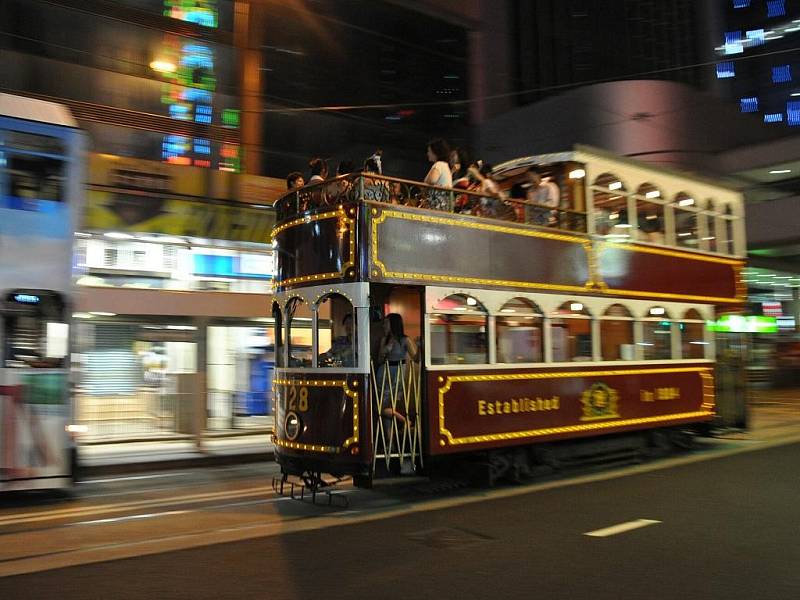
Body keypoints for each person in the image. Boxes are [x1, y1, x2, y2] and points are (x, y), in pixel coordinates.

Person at [377, 313, 418, 425]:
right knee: (383, 406)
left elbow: (416, 359)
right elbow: (379, 361)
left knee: (384, 407)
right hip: (383, 372)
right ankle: (390, 441)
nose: (384, 325)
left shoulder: (405, 340)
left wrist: (421, 347)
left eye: (386, 323)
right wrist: (385, 350)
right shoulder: (384, 339)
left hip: (396, 374)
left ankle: (405, 421)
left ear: (393, 324)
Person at [423, 138, 453, 211]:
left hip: (437, 202)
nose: (428, 153)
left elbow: (432, 180)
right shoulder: (445, 165)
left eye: (429, 151)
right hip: (444, 202)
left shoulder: (439, 165)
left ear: (435, 152)